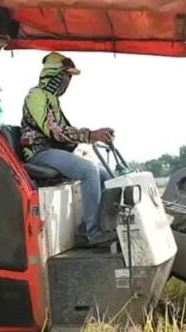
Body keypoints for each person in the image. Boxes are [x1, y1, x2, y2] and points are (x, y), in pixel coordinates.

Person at [20, 52, 116, 246]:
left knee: (104, 174)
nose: (68, 81)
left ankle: (87, 229)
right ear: (55, 74)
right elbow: (53, 130)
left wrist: (91, 137)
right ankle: (93, 234)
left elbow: (65, 130)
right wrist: (90, 135)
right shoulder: (36, 95)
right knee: (88, 171)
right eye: (67, 75)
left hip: (54, 152)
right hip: (39, 153)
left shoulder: (52, 99)